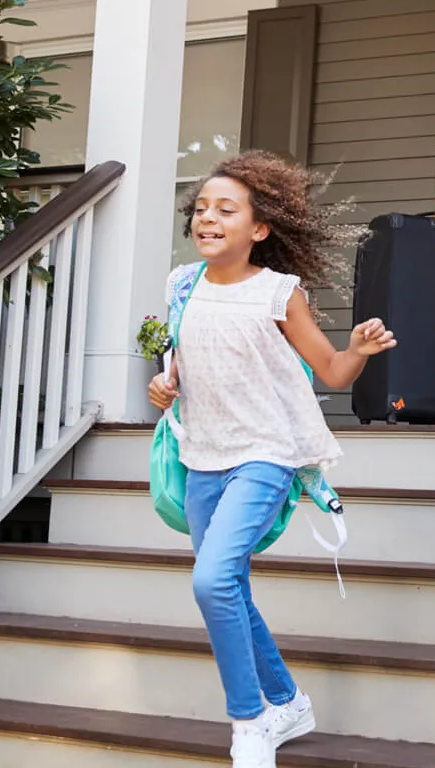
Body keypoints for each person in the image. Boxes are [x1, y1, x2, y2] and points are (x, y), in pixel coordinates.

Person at [148, 151, 396, 768]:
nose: (209, 217)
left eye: (226, 209)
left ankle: (250, 719)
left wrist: (358, 349)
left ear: (260, 228)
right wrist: (163, 386)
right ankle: (288, 700)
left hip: (266, 453)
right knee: (228, 586)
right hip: (200, 455)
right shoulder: (183, 285)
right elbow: (179, 366)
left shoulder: (279, 293)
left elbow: (333, 372)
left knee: (211, 581)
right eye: (202, 208)